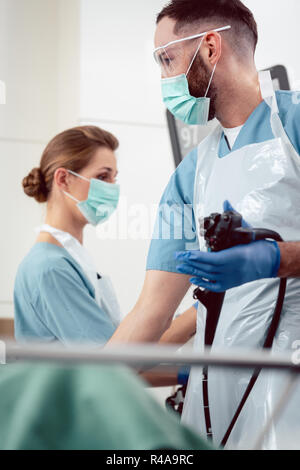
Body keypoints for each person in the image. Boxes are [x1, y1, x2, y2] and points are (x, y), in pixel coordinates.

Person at [109, 0, 300, 450]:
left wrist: (278, 258)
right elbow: (151, 312)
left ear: (210, 47)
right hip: (215, 396)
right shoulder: (189, 176)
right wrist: (79, 387)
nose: (164, 80)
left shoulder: (293, 125)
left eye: (167, 59)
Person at [14, 125, 197, 385]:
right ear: (64, 179)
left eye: (114, 178)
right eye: (102, 177)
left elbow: (128, 354)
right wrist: (197, 314)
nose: (112, 188)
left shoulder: (70, 258)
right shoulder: (49, 268)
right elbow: (113, 367)